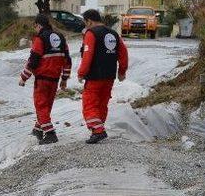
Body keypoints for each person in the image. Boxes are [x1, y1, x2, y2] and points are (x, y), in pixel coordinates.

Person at [77, 9, 129, 144]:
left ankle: (98, 130)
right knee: (102, 103)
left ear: (89, 21)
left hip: (94, 76)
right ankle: (99, 127)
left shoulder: (91, 34)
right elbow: (123, 53)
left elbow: (87, 56)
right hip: (109, 76)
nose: (85, 26)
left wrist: (81, 73)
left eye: (85, 23)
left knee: (89, 103)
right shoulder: (113, 34)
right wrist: (122, 71)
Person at [19, 14, 72, 145]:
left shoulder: (40, 38)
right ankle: (38, 129)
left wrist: (23, 78)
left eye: (35, 26)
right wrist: (64, 79)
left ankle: (50, 133)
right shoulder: (60, 37)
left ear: (38, 25)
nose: (35, 29)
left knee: (41, 106)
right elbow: (67, 60)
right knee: (46, 106)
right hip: (54, 79)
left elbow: (33, 61)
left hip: (42, 79)